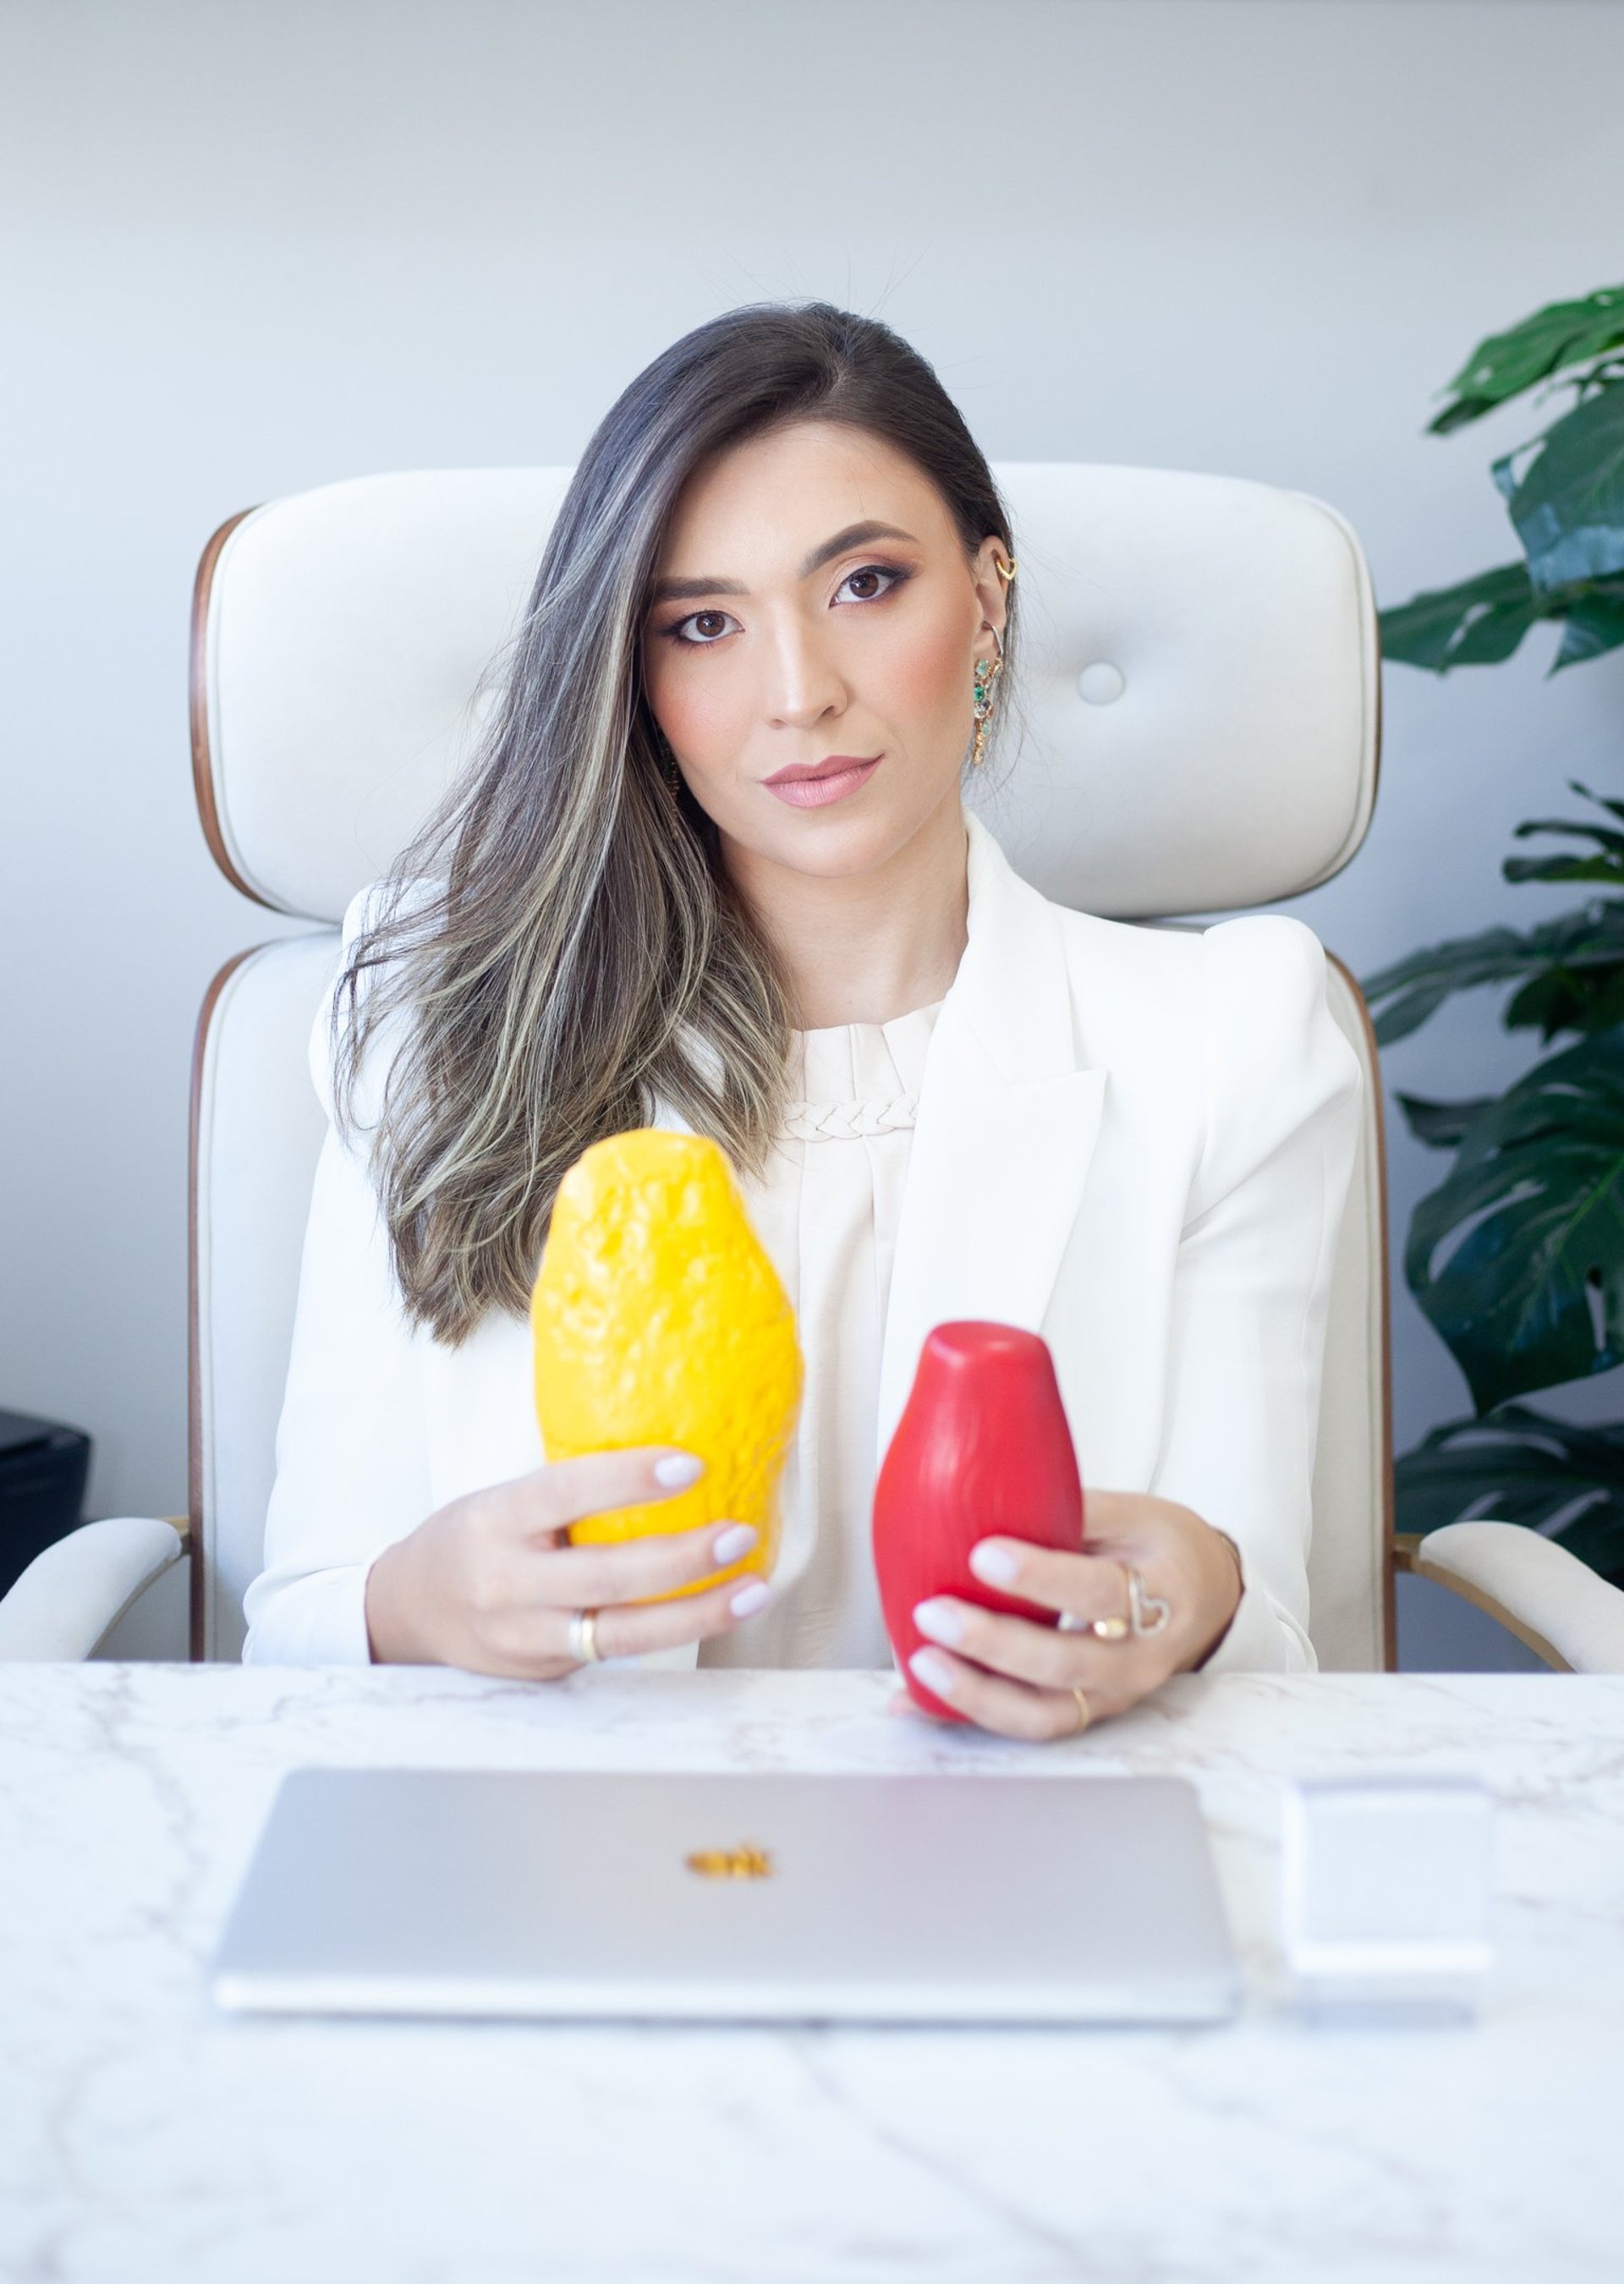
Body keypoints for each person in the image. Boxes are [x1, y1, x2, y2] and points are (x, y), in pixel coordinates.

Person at [242, 301, 1363, 1741]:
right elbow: (299, 1627)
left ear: (992, 598)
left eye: (866, 585)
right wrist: (420, 1602)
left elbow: (1259, 1634)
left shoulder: (1233, 1043)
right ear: (636, 680)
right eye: (703, 625)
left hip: (1023, 1865)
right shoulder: (428, 1023)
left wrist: (1188, 1597)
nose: (799, 696)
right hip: (565, 1860)